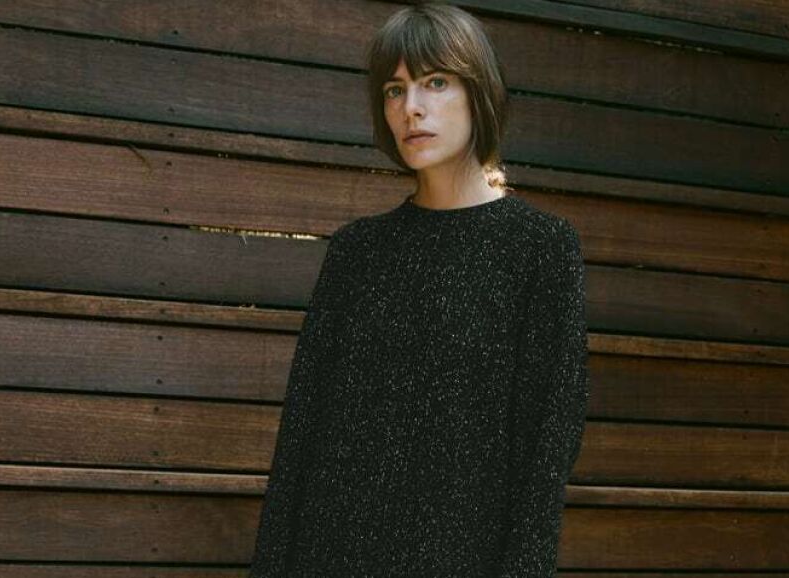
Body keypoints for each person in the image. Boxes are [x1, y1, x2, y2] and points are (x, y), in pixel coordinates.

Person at [249, 2, 589, 577]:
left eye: (435, 82)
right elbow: (301, 436)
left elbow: (545, 450)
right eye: (394, 89)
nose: (411, 107)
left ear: (478, 92)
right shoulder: (357, 251)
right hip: (330, 555)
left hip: (461, 557)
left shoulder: (541, 249)